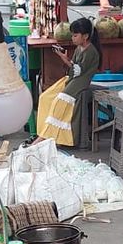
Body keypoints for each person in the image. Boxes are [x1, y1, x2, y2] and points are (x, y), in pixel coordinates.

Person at [38, 16, 101, 147]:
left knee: (59, 102)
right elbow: (74, 68)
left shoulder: (91, 52)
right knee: (46, 97)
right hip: (73, 79)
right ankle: (44, 133)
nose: (73, 38)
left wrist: (65, 60)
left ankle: (46, 138)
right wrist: (64, 58)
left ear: (85, 36)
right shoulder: (79, 49)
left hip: (80, 82)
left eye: (75, 35)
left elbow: (78, 71)